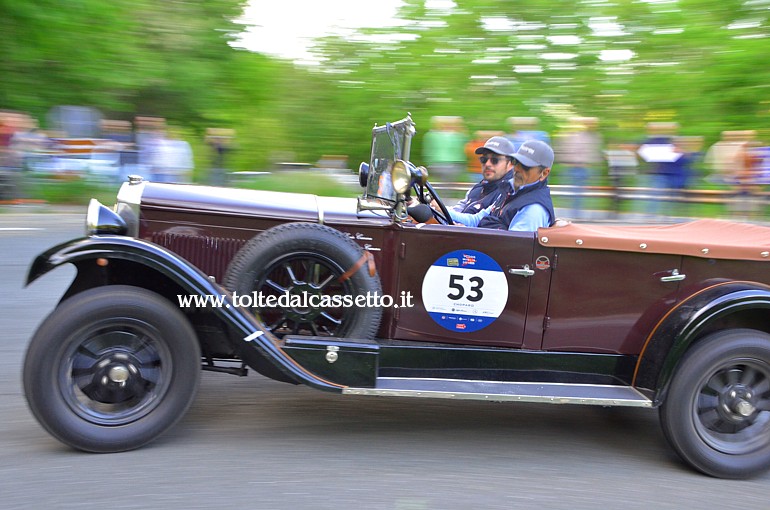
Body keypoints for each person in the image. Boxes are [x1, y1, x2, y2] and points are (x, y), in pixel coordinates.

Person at [447, 139, 555, 231]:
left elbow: (515, 248)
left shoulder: (533, 209)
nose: (517, 169)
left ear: (544, 173)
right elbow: (476, 220)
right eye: (516, 162)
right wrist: (439, 211)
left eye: (526, 166)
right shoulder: (509, 190)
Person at [452, 135, 516, 214]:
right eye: (484, 160)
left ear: (510, 163)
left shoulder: (509, 194)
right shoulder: (477, 188)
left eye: (494, 160)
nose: (487, 164)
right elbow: (455, 212)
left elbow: (480, 221)